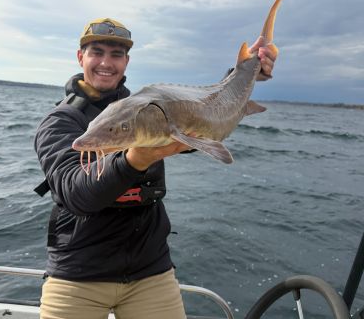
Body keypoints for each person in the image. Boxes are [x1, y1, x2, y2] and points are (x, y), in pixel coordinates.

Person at [34, 18, 277, 319]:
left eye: (116, 54)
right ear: (80, 57)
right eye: (97, 52)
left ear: (127, 61)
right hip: (78, 272)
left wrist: (245, 72)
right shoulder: (61, 121)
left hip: (150, 270)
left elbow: (202, 111)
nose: (106, 62)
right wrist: (136, 158)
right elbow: (77, 195)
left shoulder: (149, 105)